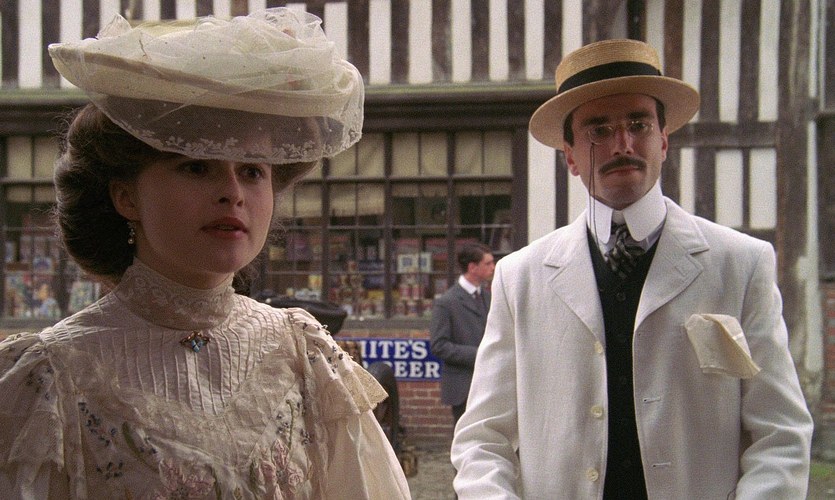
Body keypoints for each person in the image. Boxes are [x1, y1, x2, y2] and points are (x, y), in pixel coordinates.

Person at [0, 9, 410, 499]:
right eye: (196, 167)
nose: (232, 193)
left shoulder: (305, 355)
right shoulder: (53, 374)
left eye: (252, 171)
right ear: (126, 196)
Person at [450, 39, 813, 498]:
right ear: (571, 156)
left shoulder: (739, 264)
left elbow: (780, 435)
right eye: (598, 129)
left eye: (638, 124)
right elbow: (483, 439)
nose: (622, 144)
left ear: (663, 140)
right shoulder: (520, 277)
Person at [430, 243, 495, 425]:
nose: (493, 267)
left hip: (490, 384)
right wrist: (479, 354)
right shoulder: (446, 302)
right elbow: (439, 345)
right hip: (463, 387)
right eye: (488, 263)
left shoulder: (490, 297)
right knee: (465, 437)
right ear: (472, 267)